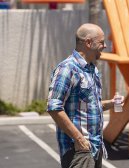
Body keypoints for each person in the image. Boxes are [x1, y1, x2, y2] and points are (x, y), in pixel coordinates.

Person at [47, 23, 123, 168]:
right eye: (101, 42)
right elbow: (53, 107)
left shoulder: (91, 69)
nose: (105, 46)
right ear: (88, 42)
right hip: (78, 149)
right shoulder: (67, 68)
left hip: (94, 147)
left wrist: (111, 103)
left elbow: (89, 106)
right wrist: (79, 139)